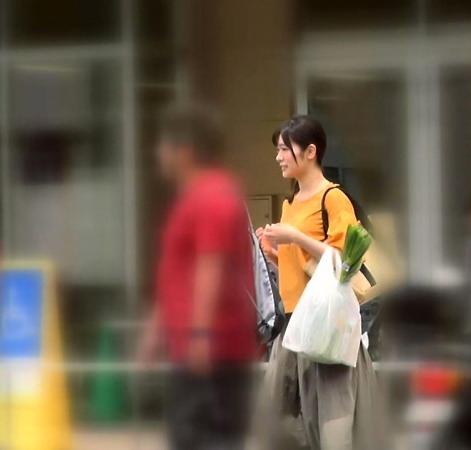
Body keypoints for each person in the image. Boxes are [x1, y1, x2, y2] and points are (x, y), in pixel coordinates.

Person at [256, 116, 383, 450]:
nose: (279, 157)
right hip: (293, 323)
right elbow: (303, 268)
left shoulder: (333, 198)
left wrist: (295, 237)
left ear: (310, 151)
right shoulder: (290, 203)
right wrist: (274, 254)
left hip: (326, 323)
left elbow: (343, 261)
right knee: (278, 421)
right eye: (278, 150)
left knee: (331, 422)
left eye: (284, 149)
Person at [137, 105, 258, 450]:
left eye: (163, 145)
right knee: (190, 437)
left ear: (185, 151)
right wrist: (156, 331)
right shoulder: (193, 197)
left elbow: (211, 264)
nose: (158, 153)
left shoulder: (212, 196)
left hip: (213, 352)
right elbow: (176, 271)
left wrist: (201, 334)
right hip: (195, 347)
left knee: (205, 438)